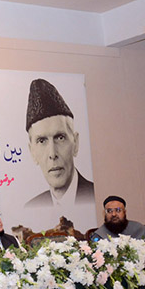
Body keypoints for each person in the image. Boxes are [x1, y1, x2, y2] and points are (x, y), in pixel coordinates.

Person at [24, 78, 94, 207]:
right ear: (32, 152)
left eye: (60, 138)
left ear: (75, 143)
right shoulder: (32, 207)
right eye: (42, 141)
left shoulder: (95, 197)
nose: (52, 154)